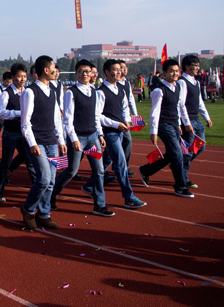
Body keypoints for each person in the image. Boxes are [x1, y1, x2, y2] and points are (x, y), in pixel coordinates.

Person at [50, 60, 112, 216]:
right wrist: (74, 139)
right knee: (71, 171)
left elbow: (96, 116)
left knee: (99, 171)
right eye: (81, 71)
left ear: (91, 73)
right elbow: (67, 120)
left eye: (87, 71)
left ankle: (99, 205)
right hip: (78, 138)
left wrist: (100, 134)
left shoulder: (94, 91)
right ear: (76, 73)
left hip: (92, 138)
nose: (85, 74)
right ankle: (52, 195)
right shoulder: (71, 92)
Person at [20, 55, 67, 230]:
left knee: (52, 180)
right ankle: (28, 209)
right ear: (46, 70)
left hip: (51, 142)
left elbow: (56, 118)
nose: (56, 71)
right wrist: (32, 144)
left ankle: (44, 214)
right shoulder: (30, 92)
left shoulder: (53, 91)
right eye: (54, 67)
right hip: (37, 142)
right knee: (44, 179)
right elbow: (25, 122)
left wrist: (60, 139)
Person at [139, 59, 194, 197]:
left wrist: (181, 124)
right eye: (171, 71)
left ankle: (146, 170)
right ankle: (180, 186)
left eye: (177, 71)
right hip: (164, 126)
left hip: (175, 125)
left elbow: (179, 107)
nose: (175, 74)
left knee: (173, 154)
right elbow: (155, 112)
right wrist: (154, 132)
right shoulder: (159, 90)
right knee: (177, 154)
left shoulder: (178, 87)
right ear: (164, 73)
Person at [96, 59, 146, 209]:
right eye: (116, 69)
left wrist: (127, 121)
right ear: (106, 72)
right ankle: (128, 197)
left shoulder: (121, 90)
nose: (119, 72)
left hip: (120, 131)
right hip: (109, 132)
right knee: (120, 163)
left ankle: (89, 185)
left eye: (120, 69)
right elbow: (97, 116)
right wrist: (116, 124)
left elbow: (125, 108)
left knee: (108, 161)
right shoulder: (101, 92)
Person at [0, 63, 34, 203]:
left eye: (24, 76)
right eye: (19, 76)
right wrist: (18, 113)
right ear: (13, 77)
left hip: (25, 132)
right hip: (11, 133)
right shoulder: (6, 93)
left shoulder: (28, 92)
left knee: (31, 162)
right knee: (5, 162)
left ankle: (37, 192)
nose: (22, 79)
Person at [178, 55, 212, 188]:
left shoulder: (196, 82)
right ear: (187, 66)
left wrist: (207, 117)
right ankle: (183, 177)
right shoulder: (182, 82)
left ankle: (178, 166)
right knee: (188, 151)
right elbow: (181, 104)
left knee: (200, 147)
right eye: (195, 65)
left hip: (197, 120)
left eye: (198, 66)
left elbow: (199, 102)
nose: (198, 68)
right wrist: (186, 123)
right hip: (188, 121)